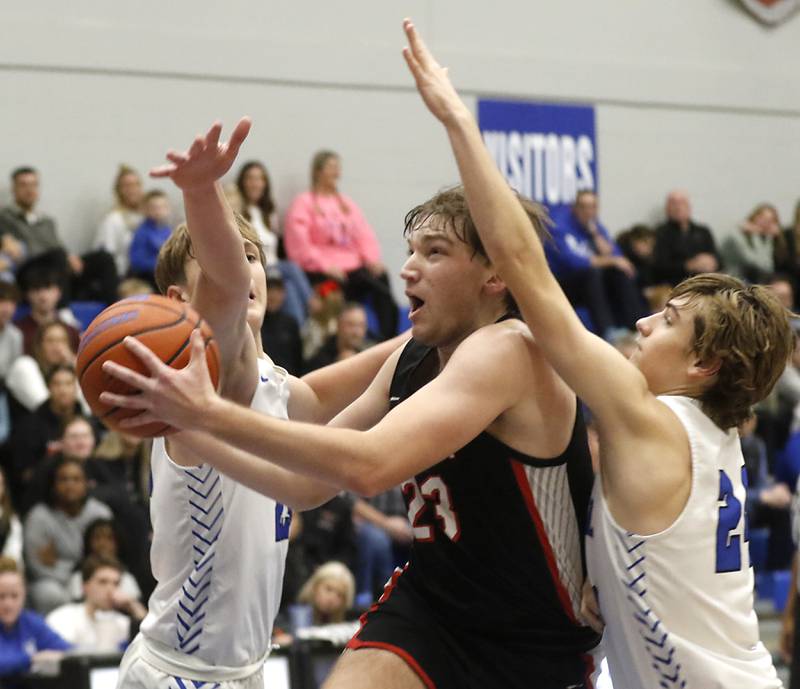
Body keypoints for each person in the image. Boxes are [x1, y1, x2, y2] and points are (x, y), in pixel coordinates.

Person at [101, 128, 601, 689]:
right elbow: (309, 481)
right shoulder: (216, 366)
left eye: (433, 253)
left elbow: (349, 465)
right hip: (204, 662)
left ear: (495, 273)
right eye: (410, 251)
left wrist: (604, 565)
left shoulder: (505, 349)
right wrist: (203, 193)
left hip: (527, 629)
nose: (406, 269)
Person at [392, 18, 788, 688]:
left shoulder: (649, 418)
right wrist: (599, 570)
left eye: (667, 321)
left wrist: (458, 120)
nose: (641, 320)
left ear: (703, 365)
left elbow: (523, 265)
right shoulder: (710, 437)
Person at [101, 119, 404, 689]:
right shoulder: (209, 373)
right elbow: (227, 282)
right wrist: (201, 191)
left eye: (256, 257)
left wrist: (448, 325)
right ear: (179, 298)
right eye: (232, 263)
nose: (249, 273)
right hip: (182, 672)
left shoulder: (276, 385)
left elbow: (381, 370)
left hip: (244, 671)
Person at [284, 150, 399, 340]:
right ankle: (339, 343)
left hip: (353, 269)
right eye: (331, 167)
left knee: (381, 281)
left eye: (337, 167)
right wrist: (324, 265)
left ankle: (388, 340)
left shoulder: (345, 203)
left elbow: (363, 233)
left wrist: (371, 260)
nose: (336, 172)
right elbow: (299, 243)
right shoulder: (303, 203)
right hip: (321, 274)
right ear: (318, 171)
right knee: (332, 293)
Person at [547, 190, 645, 337]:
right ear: (574, 208)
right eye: (584, 207)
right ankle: (608, 331)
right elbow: (573, 263)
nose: (588, 211)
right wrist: (611, 260)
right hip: (565, 282)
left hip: (592, 281)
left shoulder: (595, 227)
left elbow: (619, 258)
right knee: (592, 274)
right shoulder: (559, 226)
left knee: (619, 273)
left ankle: (636, 326)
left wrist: (596, 236)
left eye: (592, 207)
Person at [24, 457, 112, 614]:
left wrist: (68, 568)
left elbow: (108, 559)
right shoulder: (39, 517)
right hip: (53, 584)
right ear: (53, 485)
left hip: (93, 580)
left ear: (86, 483)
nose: (70, 485)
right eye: (63, 479)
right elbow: (37, 567)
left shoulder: (100, 513)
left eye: (76, 479)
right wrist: (77, 572)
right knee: (47, 593)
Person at [46, 555, 145, 653]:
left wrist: (133, 605)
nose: (110, 590)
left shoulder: (123, 623)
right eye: (103, 582)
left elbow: (150, 643)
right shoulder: (63, 617)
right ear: (85, 587)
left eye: (116, 583)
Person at [0, 557, 70, 678]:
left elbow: (70, 651)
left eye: (14, 596)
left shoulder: (31, 622)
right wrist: (33, 658)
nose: (8, 604)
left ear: (24, 595)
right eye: (1, 596)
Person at [652, 189, 721, 286]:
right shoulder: (660, 233)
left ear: (689, 207)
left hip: (706, 281)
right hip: (675, 284)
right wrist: (688, 265)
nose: (678, 207)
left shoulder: (703, 231)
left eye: (682, 203)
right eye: (673, 203)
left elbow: (719, 259)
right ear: (667, 209)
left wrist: (712, 262)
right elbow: (658, 267)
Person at [94, 165, 145, 278]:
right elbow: (107, 256)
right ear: (119, 190)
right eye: (127, 186)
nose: (133, 190)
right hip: (123, 277)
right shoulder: (113, 219)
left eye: (136, 184)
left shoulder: (149, 217)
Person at [722, 203, 786, 284]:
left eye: (770, 220)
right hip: (737, 279)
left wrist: (773, 238)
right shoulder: (739, 235)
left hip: (763, 280)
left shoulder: (772, 239)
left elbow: (770, 267)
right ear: (754, 216)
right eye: (762, 218)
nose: (765, 223)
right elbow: (759, 264)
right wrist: (756, 235)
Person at [128, 190, 172, 287]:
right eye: (154, 208)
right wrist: (161, 266)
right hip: (146, 276)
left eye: (162, 207)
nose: (158, 211)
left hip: (164, 273)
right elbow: (136, 261)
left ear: (168, 209)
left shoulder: (168, 231)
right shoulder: (141, 232)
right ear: (145, 210)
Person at [297, 561, 356, 626]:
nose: (331, 599)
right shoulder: (295, 615)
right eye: (329, 589)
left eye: (339, 595)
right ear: (315, 586)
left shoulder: (345, 626)